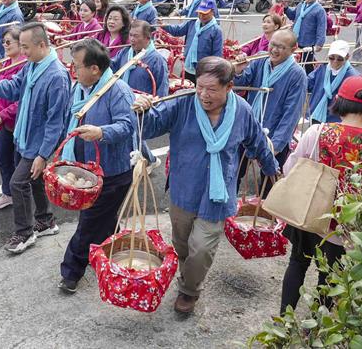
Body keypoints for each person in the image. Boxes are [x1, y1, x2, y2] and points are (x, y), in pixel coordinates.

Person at [133, 57, 278, 314]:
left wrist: (272, 170)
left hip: (218, 195)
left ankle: (189, 290)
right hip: (184, 189)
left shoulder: (242, 111)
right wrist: (142, 110)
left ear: (229, 87)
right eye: (200, 86)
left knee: (201, 249)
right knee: (182, 245)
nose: (204, 94)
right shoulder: (183, 103)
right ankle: (187, 277)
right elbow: (151, 125)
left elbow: (257, 143)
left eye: (212, 89)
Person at [280, 76, 362, 313]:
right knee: (330, 274)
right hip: (346, 225)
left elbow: (291, 168)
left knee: (298, 263)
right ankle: (319, 325)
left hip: (310, 214)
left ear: (339, 101)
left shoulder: (318, 132)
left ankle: (284, 321)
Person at [0, 23, 71, 254]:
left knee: (17, 183)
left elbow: (56, 122)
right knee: (33, 180)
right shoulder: (33, 65)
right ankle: (46, 221)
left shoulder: (56, 76)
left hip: (38, 142)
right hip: (24, 134)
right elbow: (15, 86)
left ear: (42, 45)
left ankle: (25, 233)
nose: (22, 52)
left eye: (26, 47)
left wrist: (43, 155)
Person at [58, 39, 136, 294]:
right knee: (104, 220)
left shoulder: (117, 91)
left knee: (89, 221)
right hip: (87, 168)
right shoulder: (80, 88)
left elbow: (127, 126)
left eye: (77, 66)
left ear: (95, 69)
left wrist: (101, 132)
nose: (73, 70)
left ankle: (71, 272)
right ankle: (111, 251)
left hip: (111, 172)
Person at [233, 29, 306, 170]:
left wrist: (277, 144)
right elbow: (238, 85)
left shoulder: (297, 74)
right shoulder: (260, 59)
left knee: (268, 178)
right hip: (249, 127)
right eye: (272, 44)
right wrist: (238, 70)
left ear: (293, 49)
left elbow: (292, 113)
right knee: (235, 172)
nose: (274, 50)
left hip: (274, 132)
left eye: (281, 47)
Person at [0, 27, 27, 210]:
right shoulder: (8, 62)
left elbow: (22, 99)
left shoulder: (24, 65)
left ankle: (17, 195)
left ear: (21, 44)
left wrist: (3, 114)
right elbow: (2, 87)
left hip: (17, 121)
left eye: (8, 42)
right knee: (3, 158)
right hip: (5, 121)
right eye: (3, 42)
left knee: (17, 162)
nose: (4, 45)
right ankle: (9, 193)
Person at [163, 0, 223, 84]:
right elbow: (178, 30)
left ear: (212, 12)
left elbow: (217, 55)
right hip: (187, 67)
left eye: (205, 14)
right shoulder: (192, 23)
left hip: (203, 71)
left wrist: (212, 73)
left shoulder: (216, 30)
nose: (201, 16)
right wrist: (165, 26)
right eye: (200, 13)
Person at [306, 40, 359, 124]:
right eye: (331, 57)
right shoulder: (322, 68)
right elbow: (308, 84)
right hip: (316, 113)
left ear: (347, 57)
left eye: (340, 58)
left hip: (337, 121)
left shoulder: (353, 77)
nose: (335, 61)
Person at [112, 20, 169, 97]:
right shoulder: (125, 52)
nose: (131, 39)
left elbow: (162, 90)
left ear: (147, 38)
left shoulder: (157, 60)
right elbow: (112, 67)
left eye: (136, 36)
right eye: (130, 35)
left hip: (143, 106)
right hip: (122, 100)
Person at [285, 0, 327, 74]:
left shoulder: (319, 10)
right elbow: (293, 16)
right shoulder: (301, 5)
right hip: (295, 39)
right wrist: (286, 8)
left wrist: (319, 44)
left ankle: (311, 82)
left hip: (308, 41)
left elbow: (321, 28)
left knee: (308, 64)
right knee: (294, 62)